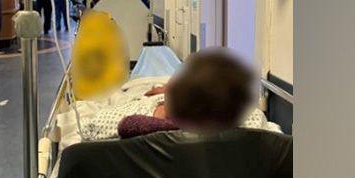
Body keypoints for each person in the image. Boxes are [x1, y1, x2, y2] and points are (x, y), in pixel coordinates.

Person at [77, 48, 273, 141]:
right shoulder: (249, 122)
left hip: (143, 93)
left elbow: (88, 129)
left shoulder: (132, 118)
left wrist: (158, 105)